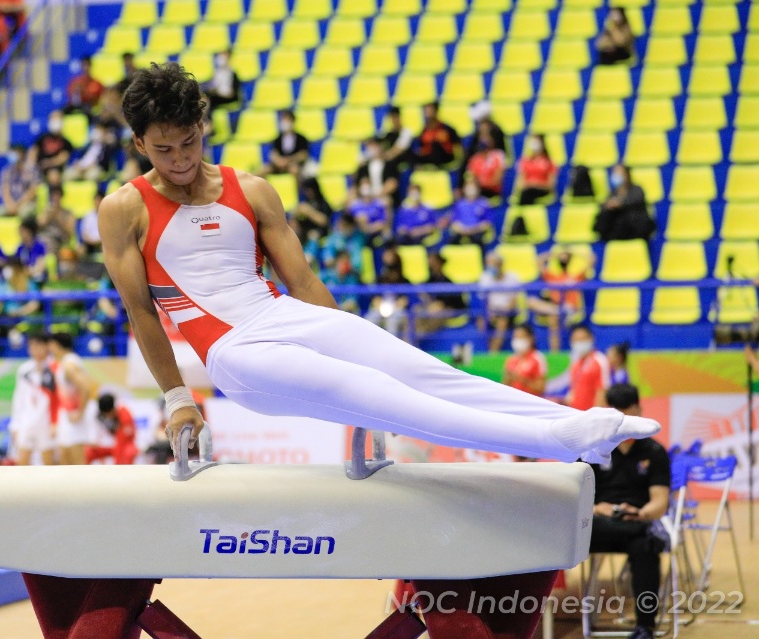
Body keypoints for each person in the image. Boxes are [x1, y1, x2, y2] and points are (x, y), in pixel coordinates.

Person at [97, 63, 659, 467]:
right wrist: (177, 400)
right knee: (377, 393)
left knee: (422, 373)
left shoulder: (253, 190)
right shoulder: (124, 209)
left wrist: (337, 330)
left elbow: (305, 282)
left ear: (203, 127)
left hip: (286, 316)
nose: (179, 159)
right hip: (233, 354)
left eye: (189, 143)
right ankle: (564, 444)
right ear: (140, 144)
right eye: (163, 149)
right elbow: (141, 313)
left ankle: (579, 422)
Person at [589, 383, 670, 639]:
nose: (624, 420)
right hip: (599, 524)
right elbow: (576, 497)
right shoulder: (592, 449)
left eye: (628, 412)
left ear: (639, 410)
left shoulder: (654, 452)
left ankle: (645, 626)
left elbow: (660, 501)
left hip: (636, 522)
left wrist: (642, 513)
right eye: (617, 413)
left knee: (645, 543)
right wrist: (597, 508)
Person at [48, 333, 95, 465]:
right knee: (64, 457)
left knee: (75, 459)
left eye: (50, 345)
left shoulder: (69, 364)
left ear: (57, 345)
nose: (49, 348)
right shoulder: (64, 362)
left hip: (75, 416)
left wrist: (79, 412)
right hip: (68, 413)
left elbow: (85, 388)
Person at [9, 333, 56, 466]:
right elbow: (18, 398)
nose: (34, 350)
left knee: (49, 464)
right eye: (31, 346)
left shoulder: (54, 367)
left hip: (46, 422)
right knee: (22, 462)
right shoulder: (24, 369)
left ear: (47, 347)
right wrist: (15, 424)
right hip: (27, 422)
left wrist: (55, 422)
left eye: (38, 346)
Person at [537, 246, 592, 353]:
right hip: (555, 306)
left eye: (566, 257)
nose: (564, 258)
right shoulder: (552, 277)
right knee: (531, 302)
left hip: (569, 308)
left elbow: (591, 260)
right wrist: (557, 254)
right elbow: (539, 260)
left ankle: (554, 353)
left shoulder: (575, 277)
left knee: (553, 319)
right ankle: (556, 311)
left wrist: (572, 253)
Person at [594, 164, 655, 243]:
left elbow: (635, 201)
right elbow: (605, 204)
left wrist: (620, 203)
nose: (616, 175)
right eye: (614, 173)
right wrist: (609, 205)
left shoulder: (637, 189)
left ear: (626, 174)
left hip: (635, 227)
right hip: (618, 229)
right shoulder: (613, 192)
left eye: (619, 172)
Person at [478, 251, 521, 353]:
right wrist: (490, 312)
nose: (490, 266)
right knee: (481, 321)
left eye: (493, 264)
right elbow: (485, 301)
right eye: (488, 264)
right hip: (492, 311)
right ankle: (488, 349)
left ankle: (492, 354)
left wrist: (503, 311)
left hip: (509, 312)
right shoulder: (485, 278)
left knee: (502, 321)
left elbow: (514, 301)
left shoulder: (512, 277)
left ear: (500, 264)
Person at [415, 252, 468, 334]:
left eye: (434, 263)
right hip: (432, 308)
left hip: (452, 308)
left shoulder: (448, 282)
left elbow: (451, 302)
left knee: (438, 315)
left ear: (440, 263)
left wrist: (440, 305)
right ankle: (411, 336)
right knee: (416, 310)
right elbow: (423, 295)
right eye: (430, 264)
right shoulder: (430, 280)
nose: (432, 266)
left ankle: (419, 334)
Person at [566, 324, 611, 411]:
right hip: (577, 414)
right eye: (576, 340)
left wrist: (596, 416)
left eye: (582, 339)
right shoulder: (576, 363)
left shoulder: (599, 360)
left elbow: (602, 391)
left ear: (591, 339)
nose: (579, 343)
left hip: (591, 416)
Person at [85, 393, 138, 465]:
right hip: (104, 444)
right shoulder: (99, 414)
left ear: (113, 410)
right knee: (87, 452)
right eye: (105, 415)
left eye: (109, 414)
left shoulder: (124, 414)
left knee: (128, 452)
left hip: (121, 444)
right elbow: (93, 431)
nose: (107, 416)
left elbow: (128, 437)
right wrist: (94, 441)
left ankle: (120, 473)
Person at [445, 174, 493, 248]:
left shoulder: (484, 203)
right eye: (468, 187)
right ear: (464, 189)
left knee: (478, 241)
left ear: (478, 188)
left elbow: (487, 223)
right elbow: (454, 222)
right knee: (451, 241)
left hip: (477, 232)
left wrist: (473, 229)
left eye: (473, 187)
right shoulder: (459, 204)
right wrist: (462, 230)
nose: (471, 190)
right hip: (461, 232)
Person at [0, 145, 40, 218]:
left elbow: (32, 192)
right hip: (10, 204)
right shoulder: (6, 171)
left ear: (23, 154)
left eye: (16, 152)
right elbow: (5, 191)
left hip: (26, 204)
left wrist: (18, 205)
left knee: (25, 214)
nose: (13, 155)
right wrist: (10, 205)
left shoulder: (32, 170)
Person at [259, 110, 310, 178]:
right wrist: (279, 161)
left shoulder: (301, 138)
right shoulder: (278, 139)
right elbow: (274, 154)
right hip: (279, 165)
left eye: (287, 120)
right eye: (283, 120)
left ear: (293, 121)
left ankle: (298, 188)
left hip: (293, 164)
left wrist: (289, 160)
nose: (284, 122)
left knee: (295, 170)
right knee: (263, 170)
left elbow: (303, 155)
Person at [465, 120, 508, 198]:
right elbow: (469, 179)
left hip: (491, 192)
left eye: (486, 136)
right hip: (477, 192)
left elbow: (497, 181)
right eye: (482, 136)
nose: (484, 139)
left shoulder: (499, 155)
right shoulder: (474, 158)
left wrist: (480, 183)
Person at [413, 101, 461, 169]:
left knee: (435, 145)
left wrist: (458, 160)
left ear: (436, 111)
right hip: (429, 156)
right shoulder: (423, 131)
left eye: (430, 110)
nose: (427, 113)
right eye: (425, 111)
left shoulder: (447, 129)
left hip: (445, 157)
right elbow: (421, 148)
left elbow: (457, 146)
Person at [503, 324, 547, 397]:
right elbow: (504, 386)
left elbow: (541, 388)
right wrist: (508, 380)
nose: (518, 340)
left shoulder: (537, 358)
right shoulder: (511, 359)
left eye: (521, 337)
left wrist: (521, 379)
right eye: (516, 337)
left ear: (531, 338)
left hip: (531, 402)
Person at [514, 134, 557, 205]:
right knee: (527, 193)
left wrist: (535, 184)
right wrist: (529, 185)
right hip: (527, 190)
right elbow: (519, 183)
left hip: (542, 191)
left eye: (537, 141)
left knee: (528, 194)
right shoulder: (525, 161)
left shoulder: (549, 162)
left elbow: (550, 186)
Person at [30, 111, 74, 177]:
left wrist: (48, 163)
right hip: (39, 167)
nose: (55, 122)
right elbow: (33, 151)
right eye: (53, 119)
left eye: (57, 119)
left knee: (53, 175)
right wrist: (32, 165)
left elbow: (63, 158)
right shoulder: (42, 137)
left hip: (55, 168)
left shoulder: (66, 142)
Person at [14, 216, 48, 284]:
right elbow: (17, 266)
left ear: (29, 231)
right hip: (23, 274)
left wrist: (30, 271)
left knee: (38, 276)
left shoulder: (39, 246)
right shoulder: (20, 248)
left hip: (36, 273)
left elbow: (41, 266)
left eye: (22, 230)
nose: (19, 233)